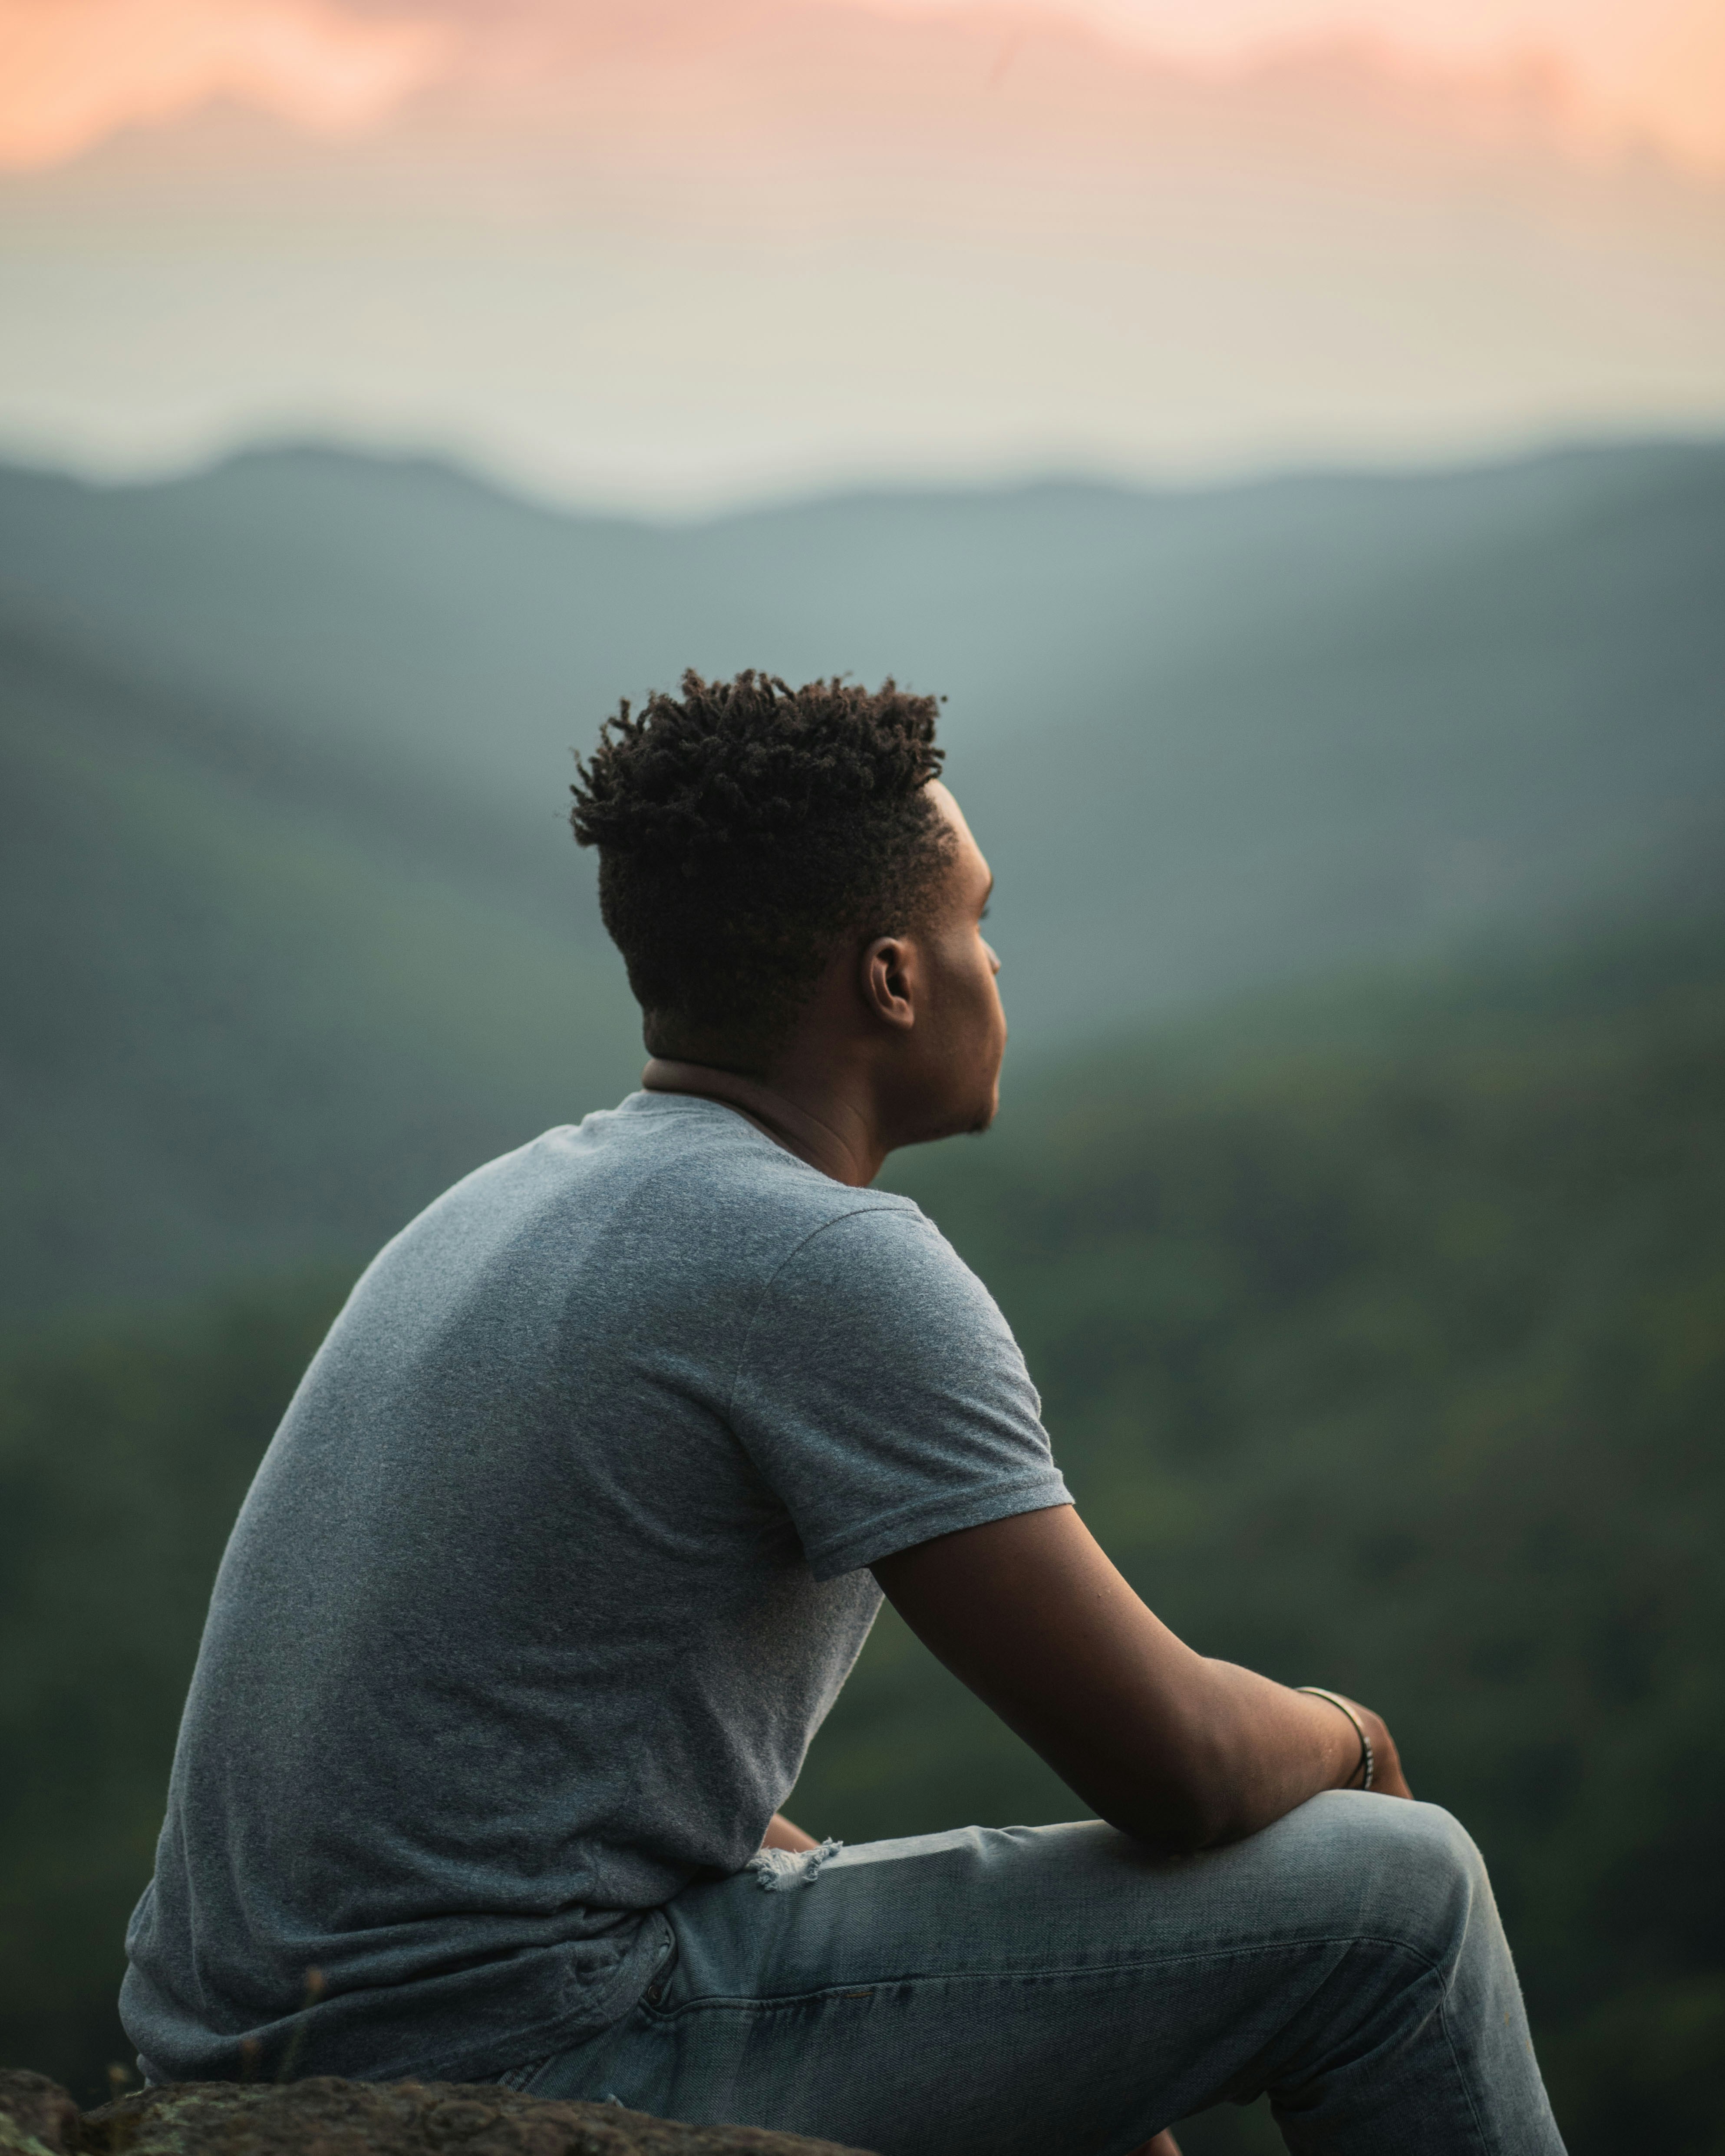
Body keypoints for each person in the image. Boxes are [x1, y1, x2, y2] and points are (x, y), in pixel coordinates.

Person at [122, 673, 1565, 2156]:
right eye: (976, 923)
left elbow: (539, 1779)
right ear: (892, 980)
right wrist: (1355, 1741)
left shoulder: (503, 1207)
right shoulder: (820, 1257)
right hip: (518, 2043)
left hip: (250, 2041)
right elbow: (1179, 1768)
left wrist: (1057, 2052)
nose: (996, 962)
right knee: (1401, 1896)